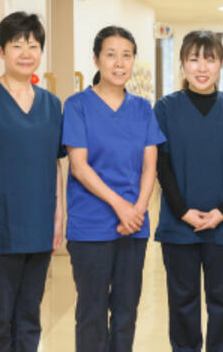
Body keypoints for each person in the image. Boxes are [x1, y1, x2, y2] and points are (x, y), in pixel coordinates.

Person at [0, 11, 64, 351]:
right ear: (0, 50)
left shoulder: (51, 104)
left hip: (38, 228)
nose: (25, 53)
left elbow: (55, 165)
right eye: (17, 45)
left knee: (29, 319)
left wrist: (58, 218)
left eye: (33, 46)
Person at [62, 26, 166, 352]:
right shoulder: (78, 105)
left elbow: (150, 166)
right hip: (91, 225)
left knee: (125, 312)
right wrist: (122, 207)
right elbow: (79, 166)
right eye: (111, 55)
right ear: (96, 60)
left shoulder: (143, 109)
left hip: (133, 226)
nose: (119, 63)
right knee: (91, 314)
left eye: (126, 55)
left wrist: (138, 210)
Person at [154, 30, 223, 352]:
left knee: (222, 303)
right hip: (179, 224)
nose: (202, 67)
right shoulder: (165, 109)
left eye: (210, 59)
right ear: (182, 64)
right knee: (182, 302)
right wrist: (182, 211)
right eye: (194, 59)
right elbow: (162, 166)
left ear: (221, 63)